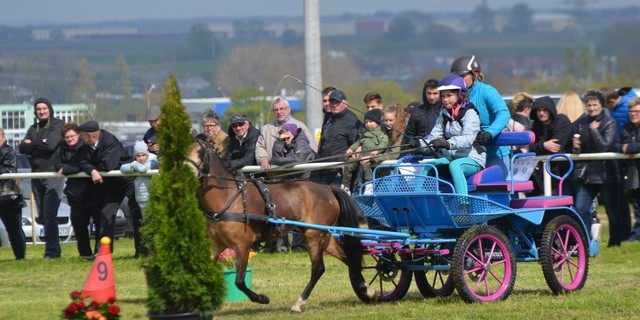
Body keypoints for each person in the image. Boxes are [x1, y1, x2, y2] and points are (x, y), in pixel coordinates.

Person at [572, 91, 630, 247]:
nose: (591, 108)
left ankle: (615, 242)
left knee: (612, 210)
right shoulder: (582, 122)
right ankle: (584, 241)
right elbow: (580, 148)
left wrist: (595, 130)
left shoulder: (609, 122)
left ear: (602, 106)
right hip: (585, 174)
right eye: (589, 105)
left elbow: (604, 146)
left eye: (595, 105)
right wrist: (576, 147)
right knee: (581, 208)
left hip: (606, 173)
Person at [420, 74, 485, 196]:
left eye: (449, 95)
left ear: (460, 94)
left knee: (455, 166)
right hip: (453, 157)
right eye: (443, 96)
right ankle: (416, 199)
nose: (445, 99)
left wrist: (447, 143)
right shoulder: (444, 114)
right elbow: (434, 135)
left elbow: (468, 139)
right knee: (429, 165)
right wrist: (420, 143)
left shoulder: (470, 113)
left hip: (473, 158)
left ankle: (463, 205)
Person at [77, 121, 134, 253]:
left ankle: (142, 251)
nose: (80, 138)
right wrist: (92, 170)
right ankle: (104, 252)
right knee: (106, 214)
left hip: (127, 180)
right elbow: (83, 162)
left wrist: (92, 168)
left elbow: (108, 165)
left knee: (136, 214)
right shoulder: (86, 145)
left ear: (90, 135)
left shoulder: (109, 141)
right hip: (113, 184)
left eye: (82, 135)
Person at [18, 97, 64, 259]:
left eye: (44, 108)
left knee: (50, 213)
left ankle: (51, 252)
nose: (42, 111)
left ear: (49, 109)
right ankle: (55, 249)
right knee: (43, 216)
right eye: (38, 109)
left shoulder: (58, 125)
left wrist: (33, 145)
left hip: (53, 175)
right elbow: (22, 148)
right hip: (36, 176)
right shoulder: (33, 128)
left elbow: (51, 145)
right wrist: (39, 143)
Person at [450, 55, 510, 174]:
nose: (459, 80)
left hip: (494, 153)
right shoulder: (453, 96)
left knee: (495, 189)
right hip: (469, 154)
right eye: (456, 77)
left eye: (462, 76)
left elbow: (503, 113)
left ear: (474, 74)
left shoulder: (487, 91)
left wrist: (490, 132)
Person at [55, 122, 100, 260]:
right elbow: (57, 164)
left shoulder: (86, 146)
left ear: (78, 135)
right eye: (67, 137)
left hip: (94, 190)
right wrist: (67, 168)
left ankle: (100, 254)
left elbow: (84, 164)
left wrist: (67, 169)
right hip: (76, 194)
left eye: (72, 136)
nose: (69, 139)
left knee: (100, 223)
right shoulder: (61, 149)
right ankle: (85, 254)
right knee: (79, 225)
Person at [314, 90, 363, 186]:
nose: (334, 105)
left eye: (337, 102)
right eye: (332, 102)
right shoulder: (328, 116)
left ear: (345, 103)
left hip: (340, 171)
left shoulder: (352, 120)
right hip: (323, 168)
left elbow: (356, 144)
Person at [255, 96, 316, 171]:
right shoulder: (266, 129)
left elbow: (311, 150)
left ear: (289, 109)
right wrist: (263, 159)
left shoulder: (300, 127)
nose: (279, 112)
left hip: (295, 174)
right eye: (276, 110)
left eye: (282, 108)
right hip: (271, 173)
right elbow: (260, 147)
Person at [528, 96, 572, 196]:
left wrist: (539, 147)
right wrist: (543, 145)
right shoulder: (536, 125)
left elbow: (555, 147)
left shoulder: (562, 121)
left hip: (564, 173)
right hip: (544, 174)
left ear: (551, 110)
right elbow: (530, 148)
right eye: (539, 110)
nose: (541, 113)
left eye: (544, 110)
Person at [342, 108, 388, 194]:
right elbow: (358, 142)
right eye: (366, 122)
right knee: (349, 165)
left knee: (366, 166)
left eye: (371, 122)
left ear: (377, 122)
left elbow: (384, 143)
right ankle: (345, 185)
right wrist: (351, 149)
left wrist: (376, 151)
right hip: (362, 156)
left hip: (371, 157)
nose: (368, 124)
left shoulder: (381, 132)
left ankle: (369, 185)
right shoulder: (364, 134)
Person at [0, 128, 26, 260]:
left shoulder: (9, 152)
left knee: (14, 229)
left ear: (3, 137)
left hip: (10, 197)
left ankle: (20, 257)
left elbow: (10, 170)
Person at [619, 97, 640, 241]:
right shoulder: (626, 127)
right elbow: (620, 145)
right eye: (631, 111)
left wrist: (630, 147)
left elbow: (628, 147)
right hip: (633, 173)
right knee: (637, 206)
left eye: (637, 111)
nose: (633, 114)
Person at [120, 141, 158, 216]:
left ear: (147, 154)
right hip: (141, 200)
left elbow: (143, 169)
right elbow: (122, 167)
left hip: (153, 199)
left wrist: (134, 165)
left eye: (143, 155)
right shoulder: (136, 164)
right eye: (138, 156)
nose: (141, 158)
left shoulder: (153, 161)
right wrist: (134, 164)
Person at [404, 79, 442, 149]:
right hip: (420, 152)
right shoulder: (417, 111)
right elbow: (409, 134)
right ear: (425, 93)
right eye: (429, 93)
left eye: (435, 93)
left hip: (442, 152)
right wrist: (412, 141)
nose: (431, 97)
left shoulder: (445, 110)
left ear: (440, 93)